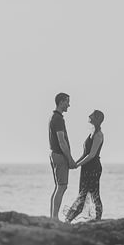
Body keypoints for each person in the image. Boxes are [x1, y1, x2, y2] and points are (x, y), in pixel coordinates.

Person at [65, 109, 105, 222]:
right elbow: (85, 154)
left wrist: (77, 165)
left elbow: (92, 155)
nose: (89, 115)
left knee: (93, 194)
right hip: (86, 167)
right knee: (82, 193)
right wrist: (74, 163)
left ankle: (97, 218)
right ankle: (69, 219)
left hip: (93, 168)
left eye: (92, 114)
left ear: (96, 118)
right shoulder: (92, 132)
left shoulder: (98, 135)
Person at [49, 92, 76, 220]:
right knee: (62, 186)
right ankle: (54, 217)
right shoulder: (58, 118)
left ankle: (53, 217)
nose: (69, 105)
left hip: (55, 154)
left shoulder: (55, 117)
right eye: (67, 102)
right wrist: (70, 159)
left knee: (58, 187)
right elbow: (61, 141)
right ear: (61, 102)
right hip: (59, 155)